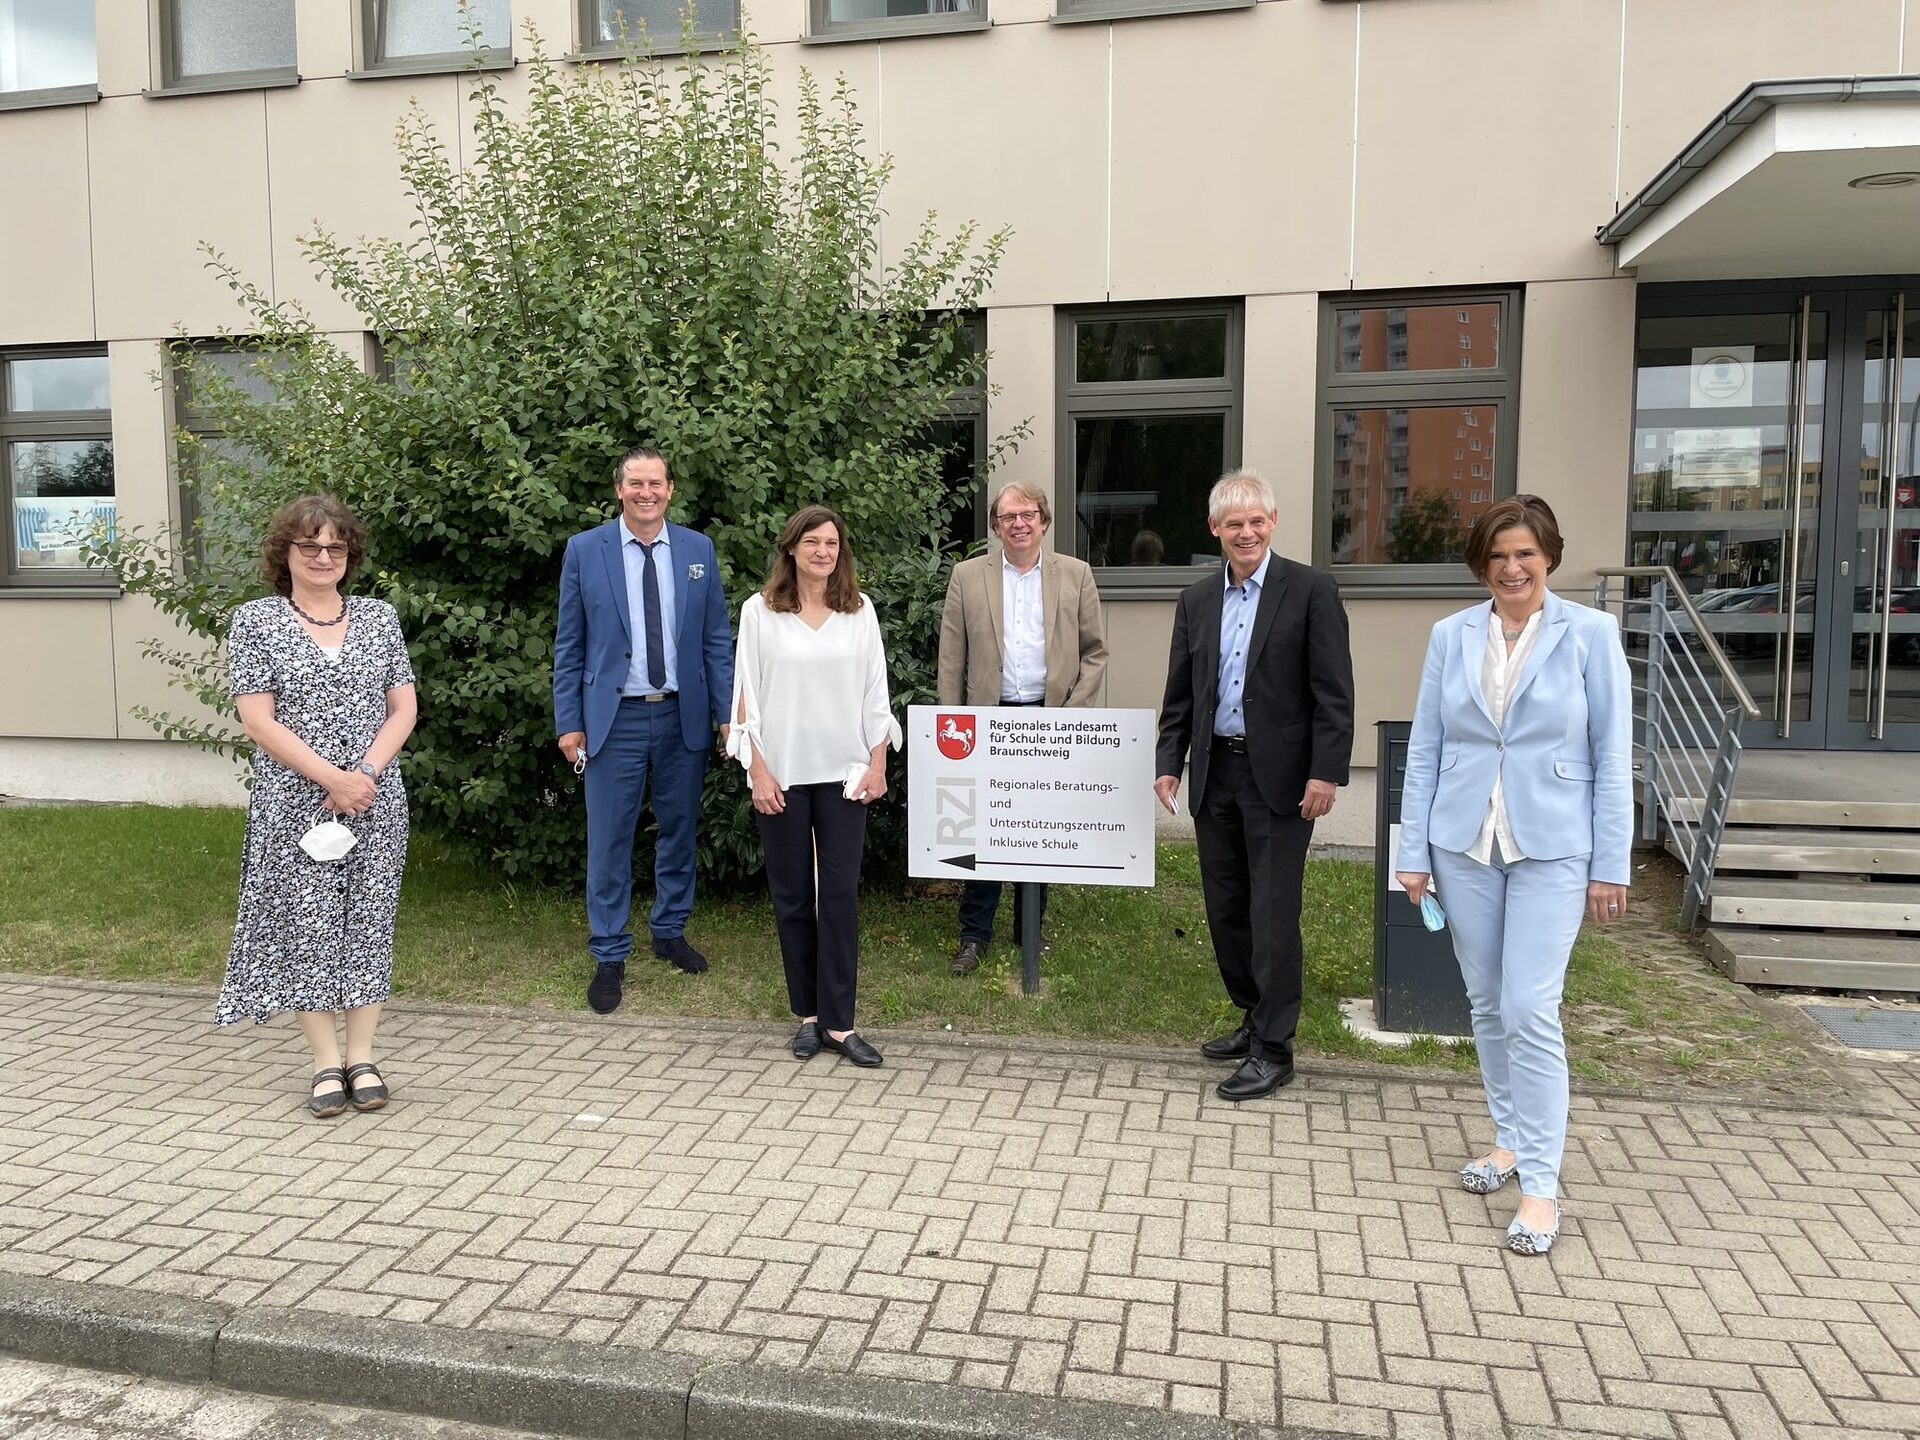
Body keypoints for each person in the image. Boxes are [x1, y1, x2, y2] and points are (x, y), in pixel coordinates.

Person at [1394, 494, 1631, 1257]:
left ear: (1549, 557)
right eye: (1498, 555)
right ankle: (1508, 1139)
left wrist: (1611, 862)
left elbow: (1612, 755)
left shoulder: (1590, 634)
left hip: (1554, 846)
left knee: (1531, 1007)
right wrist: (1411, 851)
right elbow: (1426, 748)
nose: (1512, 567)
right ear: (1481, 564)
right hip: (1463, 842)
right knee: (1488, 1002)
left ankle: (1541, 1187)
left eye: (1525, 553)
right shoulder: (1451, 635)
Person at [1154, 469, 1355, 1102]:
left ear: (1273, 522)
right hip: (1216, 774)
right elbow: (1181, 692)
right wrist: (1169, 760)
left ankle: (1274, 1048)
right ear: (1215, 528)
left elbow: (1334, 692)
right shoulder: (1196, 600)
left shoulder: (1311, 590)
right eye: (1234, 523)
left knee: (1272, 914)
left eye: (1257, 521)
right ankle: (1252, 1014)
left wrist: (1326, 771)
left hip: (1283, 781)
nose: (1247, 533)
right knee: (1226, 909)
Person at [216, 495, 418, 1120]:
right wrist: (331, 777)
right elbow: (258, 720)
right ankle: (325, 1062)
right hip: (295, 801)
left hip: (374, 798)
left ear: (350, 554)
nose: (324, 556)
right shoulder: (255, 622)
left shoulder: (379, 619)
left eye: (335, 546)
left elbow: (403, 708)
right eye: (310, 546)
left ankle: (363, 1057)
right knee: (309, 928)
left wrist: (363, 776)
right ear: (286, 553)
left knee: (368, 922)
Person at [553, 446, 733, 1014]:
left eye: (656, 483)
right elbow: (569, 643)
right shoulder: (586, 550)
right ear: (619, 489)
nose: (646, 492)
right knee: (610, 838)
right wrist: (569, 722)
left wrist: (727, 714)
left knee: (679, 830)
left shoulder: (698, 550)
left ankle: (669, 930)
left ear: (670, 489)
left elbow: (716, 640)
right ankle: (609, 951)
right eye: (636, 483)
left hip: (683, 714)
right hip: (615, 719)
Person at [726, 506, 900, 1067]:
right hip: (781, 774)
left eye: (831, 543)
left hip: (846, 773)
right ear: (791, 548)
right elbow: (745, 696)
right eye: (812, 542)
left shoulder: (860, 611)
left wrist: (877, 764)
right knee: (794, 897)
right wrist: (757, 769)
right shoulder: (759, 611)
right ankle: (807, 1017)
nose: (823, 551)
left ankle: (841, 1025)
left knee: (841, 895)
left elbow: (876, 692)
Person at [937, 481, 1107, 974]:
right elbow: (951, 657)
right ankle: (974, 934)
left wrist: (1069, 717)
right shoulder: (967, 576)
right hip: (986, 721)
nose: (1019, 523)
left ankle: (1029, 927)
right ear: (996, 525)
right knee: (982, 828)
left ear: (1044, 521)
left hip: (1049, 719)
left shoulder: (1075, 574)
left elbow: (1095, 652)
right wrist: (952, 722)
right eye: (1008, 516)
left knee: (1039, 827)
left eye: (1028, 514)